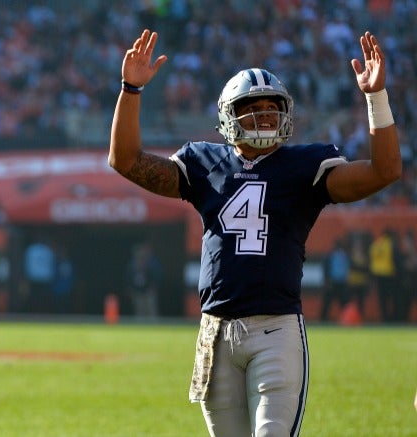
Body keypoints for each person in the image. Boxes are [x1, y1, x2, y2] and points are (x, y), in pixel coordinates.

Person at [109, 30, 400, 436]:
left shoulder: (304, 166)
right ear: (228, 115)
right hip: (215, 332)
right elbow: (125, 160)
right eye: (252, 106)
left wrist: (376, 98)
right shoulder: (203, 162)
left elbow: (384, 171)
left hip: (275, 330)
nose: (265, 114)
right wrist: (131, 89)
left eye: (271, 106)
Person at [321, 237, 351, 322]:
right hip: (338, 282)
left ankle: (324, 319)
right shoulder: (344, 255)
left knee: (330, 302)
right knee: (339, 302)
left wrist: (326, 280)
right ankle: (345, 319)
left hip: (336, 282)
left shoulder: (331, 255)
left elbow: (326, 269)